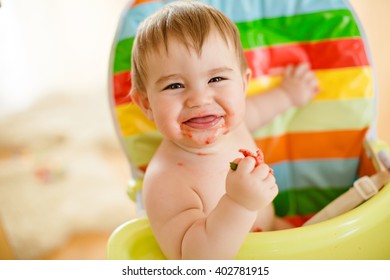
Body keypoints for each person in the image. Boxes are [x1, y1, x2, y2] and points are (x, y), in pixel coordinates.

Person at [130, 0, 318, 259]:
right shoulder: (166, 180)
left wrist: (288, 94)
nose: (199, 99)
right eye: (174, 85)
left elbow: (259, 110)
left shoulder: (234, 124)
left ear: (243, 85)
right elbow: (195, 262)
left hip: (274, 235)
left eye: (216, 79)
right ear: (146, 103)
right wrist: (239, 204)